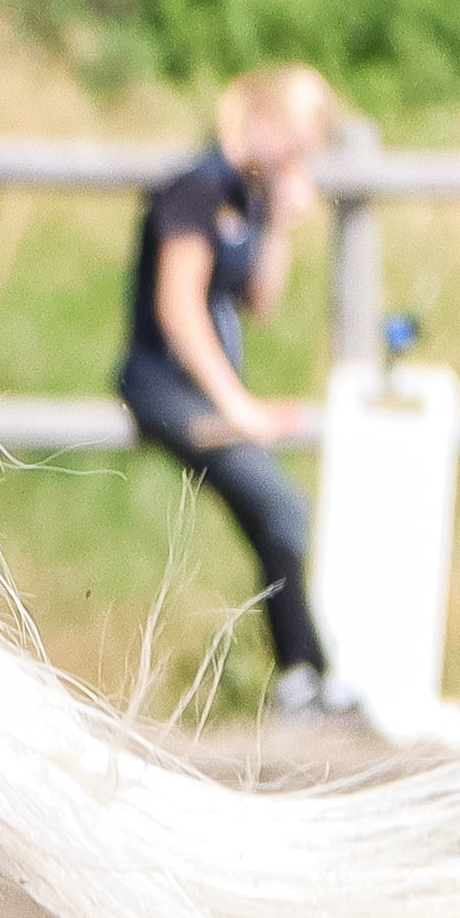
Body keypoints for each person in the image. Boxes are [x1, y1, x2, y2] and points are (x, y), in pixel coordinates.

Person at [120, 63, 353, 723]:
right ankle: (302, 679)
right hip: (164, 384)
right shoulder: (195, 189)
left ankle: (304, 675)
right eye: (294, 148)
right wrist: (238, 408)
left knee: (274, 513)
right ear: (263, 121)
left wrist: (277, 223)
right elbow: (177, 308)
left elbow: (259, 302)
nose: (295, 166)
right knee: (281, 504)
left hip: (201, 391)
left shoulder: (244, 197)